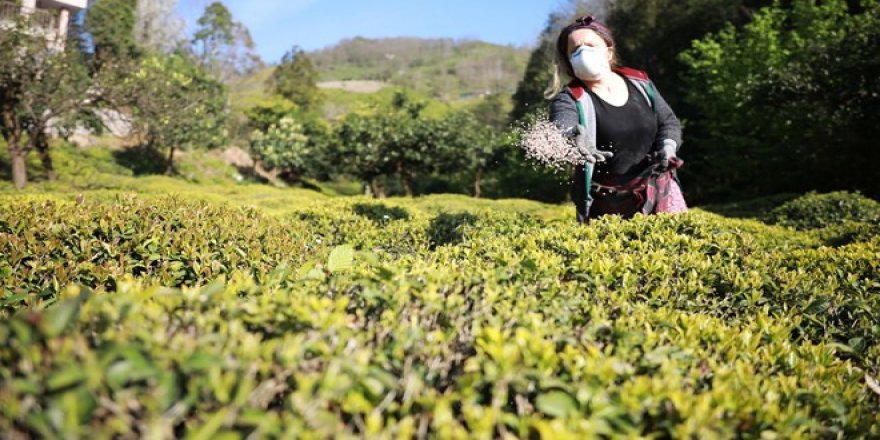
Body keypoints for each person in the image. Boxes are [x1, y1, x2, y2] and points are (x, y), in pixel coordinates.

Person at [548, 15, 688, 223]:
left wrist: (668, 146)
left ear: (609, 52)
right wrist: (572, 137)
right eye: (574, 50)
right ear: (568, 61)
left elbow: (668, 121)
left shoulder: (641, 82)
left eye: (590, 45)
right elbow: (561, 127)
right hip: (609, 202)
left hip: (659, 189)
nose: (583, 52)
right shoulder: (570, 98)